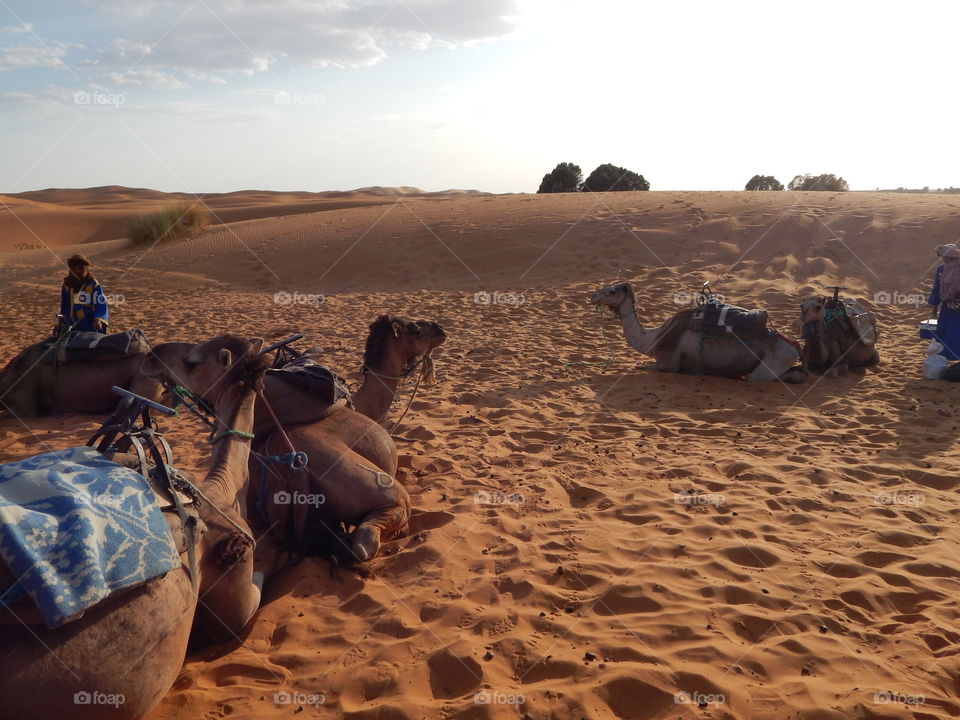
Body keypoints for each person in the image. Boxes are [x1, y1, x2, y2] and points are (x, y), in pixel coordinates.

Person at [57, 254, 109, 335]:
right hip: (71, 325)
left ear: (85, 269)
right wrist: (61, 321)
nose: (77, 271)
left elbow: (100, 304)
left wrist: (98, 319)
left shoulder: (92, 284)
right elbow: (64, 305)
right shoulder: (67, 285)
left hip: (89, 325)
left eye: (80, 269)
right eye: (74, 269)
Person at [928, 243, 960, 360]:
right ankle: (947, 357)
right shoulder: (941, 269)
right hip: (947, 308)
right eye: (944, 258)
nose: (945, 260)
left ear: (954, 257)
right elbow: (937, 288)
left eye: (947, 258)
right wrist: (934, 308)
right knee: (944, 331)